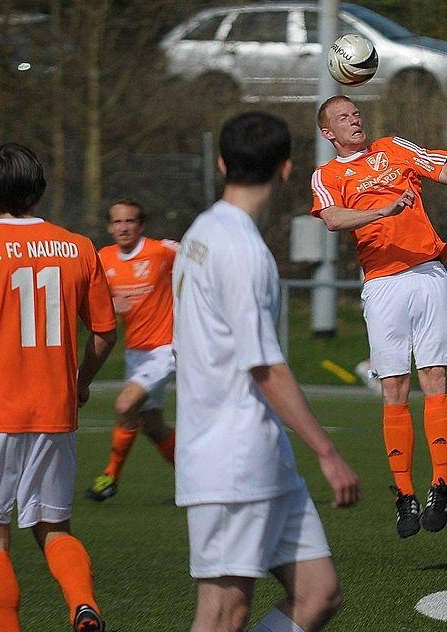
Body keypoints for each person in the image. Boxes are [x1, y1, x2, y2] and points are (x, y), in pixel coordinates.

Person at [172, 111, 360, 632]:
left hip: (263, 456)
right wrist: (327, 452)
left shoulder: (201, 232)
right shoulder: (241, 250)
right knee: (222, 613)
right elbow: (266, 368)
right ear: (286, 169)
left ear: (221, 162)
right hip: (231, 458)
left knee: (318, 595)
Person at [311, 95, 447, 538]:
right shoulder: (327, 175)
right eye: (343, 118)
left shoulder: (394, 147)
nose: (354, 120)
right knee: (394, 386)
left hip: (427, 273)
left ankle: (441, 484)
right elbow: (331, 218)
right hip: (383, 283)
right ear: (328, 132)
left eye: (356, 113)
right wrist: (381, 210)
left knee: (434, 381)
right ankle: (404, 495)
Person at [0, 143, 117, 631]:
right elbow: (104, 331)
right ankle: (82, 603)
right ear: (39, 188)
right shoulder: (78, 246)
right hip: (55, 410)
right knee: (53, 526)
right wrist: (80, 383)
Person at [86, 198, 179, 502]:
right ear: (109, 227)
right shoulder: (103, 259)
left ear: (141, 225)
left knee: (125, 405)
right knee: (151, 425)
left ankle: (110, 476)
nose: (123, 227)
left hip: (166, 349)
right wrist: (109, 304)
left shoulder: (161, 251)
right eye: (117, 222)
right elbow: (90, 300)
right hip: (135, 353)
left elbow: (204, 259)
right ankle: (197, 483)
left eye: (130, 221)